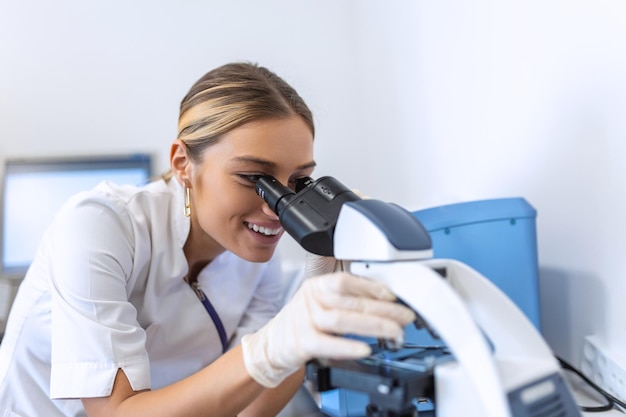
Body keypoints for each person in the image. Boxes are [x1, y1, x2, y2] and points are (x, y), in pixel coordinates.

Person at [0, 62, 415, 417]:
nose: (276, 209)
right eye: (254, 178)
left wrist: (308, 321)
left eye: (298, 181)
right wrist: (271, 346)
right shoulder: (99, 226)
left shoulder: (257, 258)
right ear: (183, 164)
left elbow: (248, 408)